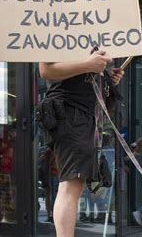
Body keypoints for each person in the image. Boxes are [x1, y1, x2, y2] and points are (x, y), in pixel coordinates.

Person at [39, 49, 124, 237]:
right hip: (71, 112)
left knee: (73, 184)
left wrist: (105, 77)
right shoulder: (59, 28)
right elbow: (46, 70)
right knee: (70, 185)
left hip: (82, 114)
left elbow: (74, 77)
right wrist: (88, 65)